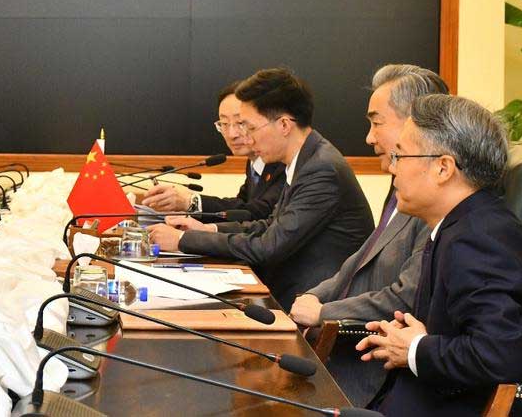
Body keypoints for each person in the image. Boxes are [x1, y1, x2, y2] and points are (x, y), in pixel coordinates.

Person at [358, 94, 522, 416]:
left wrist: (414, 349)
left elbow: (497, 354)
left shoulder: (477, 241)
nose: (392, 167)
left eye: (401, 155)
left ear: (443, 168)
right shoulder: (462, 225)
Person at [148, 68, 373, 311]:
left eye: (251, 128)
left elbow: (269, 246)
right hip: (287, 290)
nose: (248, 139)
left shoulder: (321, 169)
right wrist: (207, 229)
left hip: (313, 306)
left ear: (284, 124)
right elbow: (269, 224)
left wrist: (183, 240)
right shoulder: (306, 159)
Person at [289, 64, 446, 406]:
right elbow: (363, 259)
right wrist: (314, 298)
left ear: (414, 124)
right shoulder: (400, 184)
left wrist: (323, 313)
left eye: (377, 123)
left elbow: (408, 298)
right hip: (340, 347)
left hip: (371, 368)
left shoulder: (436, 199)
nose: (369, 138)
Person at [141, 79, 285, 220]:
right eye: (224, 123)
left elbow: (259, 212)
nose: (231, 134)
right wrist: (186, 215)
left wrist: (191, 202)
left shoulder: (283, 162)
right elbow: (240, 209)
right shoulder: (253, 163)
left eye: (241, 123)